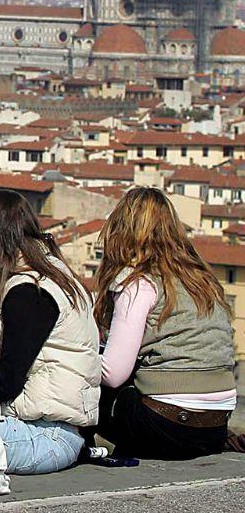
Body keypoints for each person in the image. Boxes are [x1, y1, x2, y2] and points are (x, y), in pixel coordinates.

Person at [0, 190, 100, 475]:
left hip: (48, 435)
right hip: (59, 430)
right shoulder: (53, 273)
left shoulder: (29, 293)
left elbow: (9, 380)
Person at [93, 187, 237, 459]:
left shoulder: (139, 284)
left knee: (91, 389)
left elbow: (113, 374)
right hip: (217, 424)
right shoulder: (203, 280)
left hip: (167, 424)